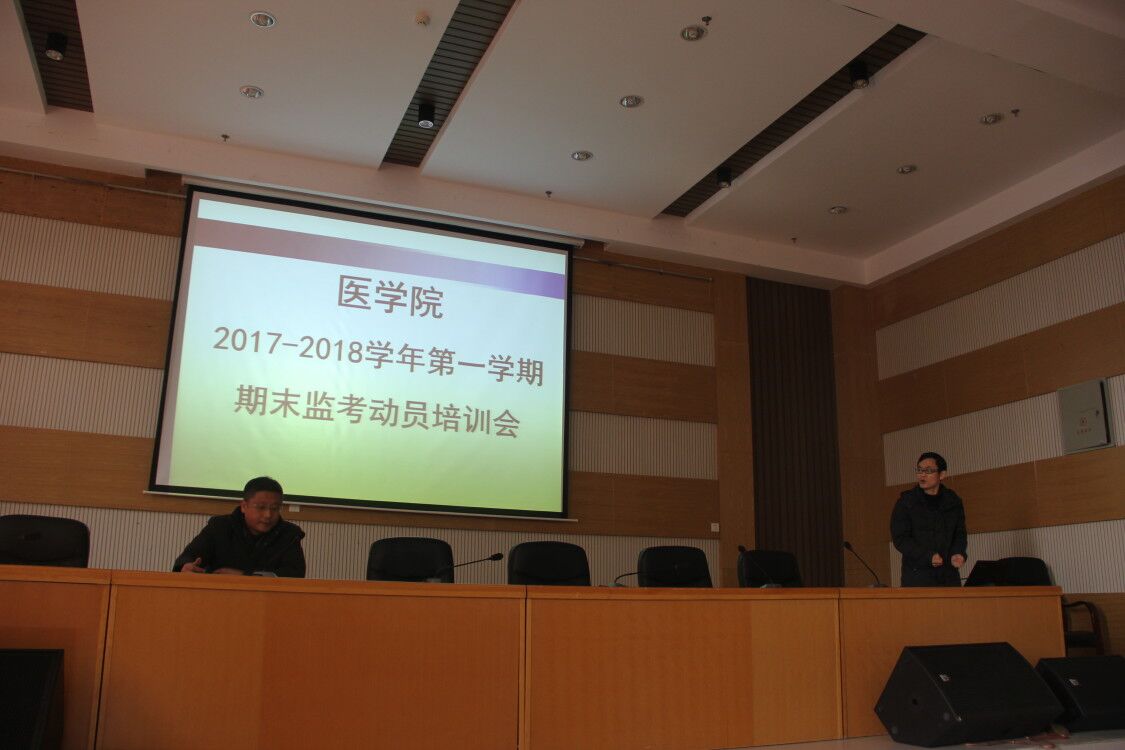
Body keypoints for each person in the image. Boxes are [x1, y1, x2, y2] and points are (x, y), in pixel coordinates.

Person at [173, 476, 306, 577]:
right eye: (261, 507)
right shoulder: (220, 527)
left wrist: (245, 576)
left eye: (275, 508)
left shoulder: (289, 535)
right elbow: (188, 557)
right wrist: (186, 566)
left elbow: (295, 575)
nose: (268, 515)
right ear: (244, 506)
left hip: (269, 601)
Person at [890, 452, 967, 587]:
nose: (922, 475)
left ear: (942, 475)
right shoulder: (906, 502)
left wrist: (958, 553)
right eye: (919, 470)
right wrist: (927, 556)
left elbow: (960, 533)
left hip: (948, 575)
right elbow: (901, 539)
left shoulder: (953, 501)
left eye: (928, 471)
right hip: (917, 576)